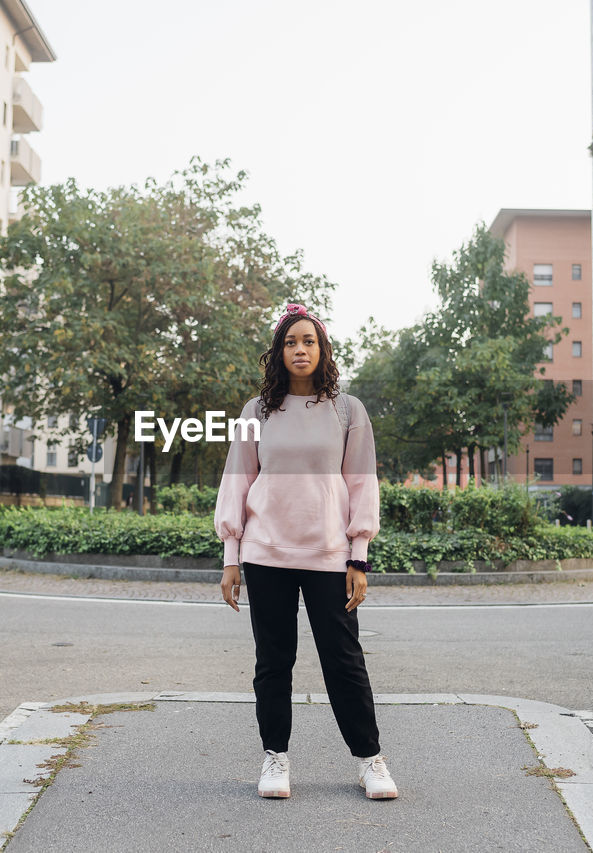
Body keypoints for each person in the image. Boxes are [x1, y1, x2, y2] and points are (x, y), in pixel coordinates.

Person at [214, 302, 398, 801]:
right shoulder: (257, 412)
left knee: (343, 659)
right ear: (278, 352)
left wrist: (358, 556)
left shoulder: (347, 410)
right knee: (273, 661)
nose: (300, 349)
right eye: (291, 342)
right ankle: (275, 757)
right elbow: (237, 481)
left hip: (328, 556)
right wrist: (232, 557)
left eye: (309, 341)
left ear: (323, 349)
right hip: (265, 552)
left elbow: (362, 483)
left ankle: (370, 760)